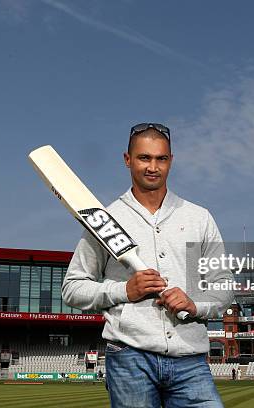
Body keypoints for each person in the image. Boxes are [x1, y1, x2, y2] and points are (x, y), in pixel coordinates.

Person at [62, 122, 234, 408]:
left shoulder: (199, 218)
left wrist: (195, 305)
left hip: (189, 358)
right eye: (144, 158)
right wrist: (124, 291)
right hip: (130, 357)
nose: (153, 167)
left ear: (171, 161)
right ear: (127, 160)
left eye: (161, 158)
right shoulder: (105, 220)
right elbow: (73, 289)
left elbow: (223, 286)